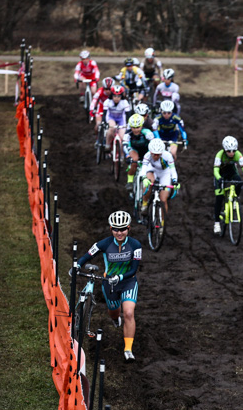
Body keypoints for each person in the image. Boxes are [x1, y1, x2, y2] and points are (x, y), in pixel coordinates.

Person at [76, 210, 141, 363]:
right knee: (113, 311)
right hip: (109, 284)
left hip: (128, 282)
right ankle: (115, 318)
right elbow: (87, 256)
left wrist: (120, 277)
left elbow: (134, 269)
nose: (120, 232)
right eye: (116, 229)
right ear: (111, 229)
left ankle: (128, 349)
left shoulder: (135, 245)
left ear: (129, 228)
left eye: (123, 228)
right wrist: (77, 265)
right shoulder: (103, 243)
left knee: (129, 313)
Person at [213, 135, 243, 235]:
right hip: (220, 175)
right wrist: (219, 179)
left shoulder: (238, 155)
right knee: (219, 197)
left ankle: (235, 199)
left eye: (233, 151)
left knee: (238, 181)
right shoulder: (219, 155)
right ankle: (217, 223)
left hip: (231, 173)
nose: (231, 153)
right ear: (224, 150)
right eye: (229, 151)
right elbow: (215, 170)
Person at [139, 138, 179, 220]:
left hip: (165, 173)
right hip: (152, 170)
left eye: (158, 154)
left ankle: (163, 223)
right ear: (150, 152)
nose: (156, 156)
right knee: (149, 182)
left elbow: (173, 170)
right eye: (154, 154)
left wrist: (175, 181)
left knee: (163, 200)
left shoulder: (168, 156)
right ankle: (145, 203)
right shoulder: (147, 155)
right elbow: (143, 169)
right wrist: (144, 178)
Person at [124, 114, 156, 191]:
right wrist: (128, 156)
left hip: (146, 150)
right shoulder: (127, 134)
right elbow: (125, 146)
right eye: (133, 127)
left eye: (138, 127)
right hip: (134, 150)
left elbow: (153, 144)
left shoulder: (147, 132)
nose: (135, 130)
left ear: (141, 126)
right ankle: (130, 181)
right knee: (134, 160)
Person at [102, 85, 131, 150]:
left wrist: (128, 124)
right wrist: (104, 122)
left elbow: (128, 115)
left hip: (121, 119)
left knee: (123, 137)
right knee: (111, 128)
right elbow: (105, 114)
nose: (116, 98)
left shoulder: (125, 103)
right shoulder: (107, 102)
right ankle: (107, 144)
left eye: (118, 96)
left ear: (121, 96)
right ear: (111, 96)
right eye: (114, 96)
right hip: (111, 118)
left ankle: (121, 155)